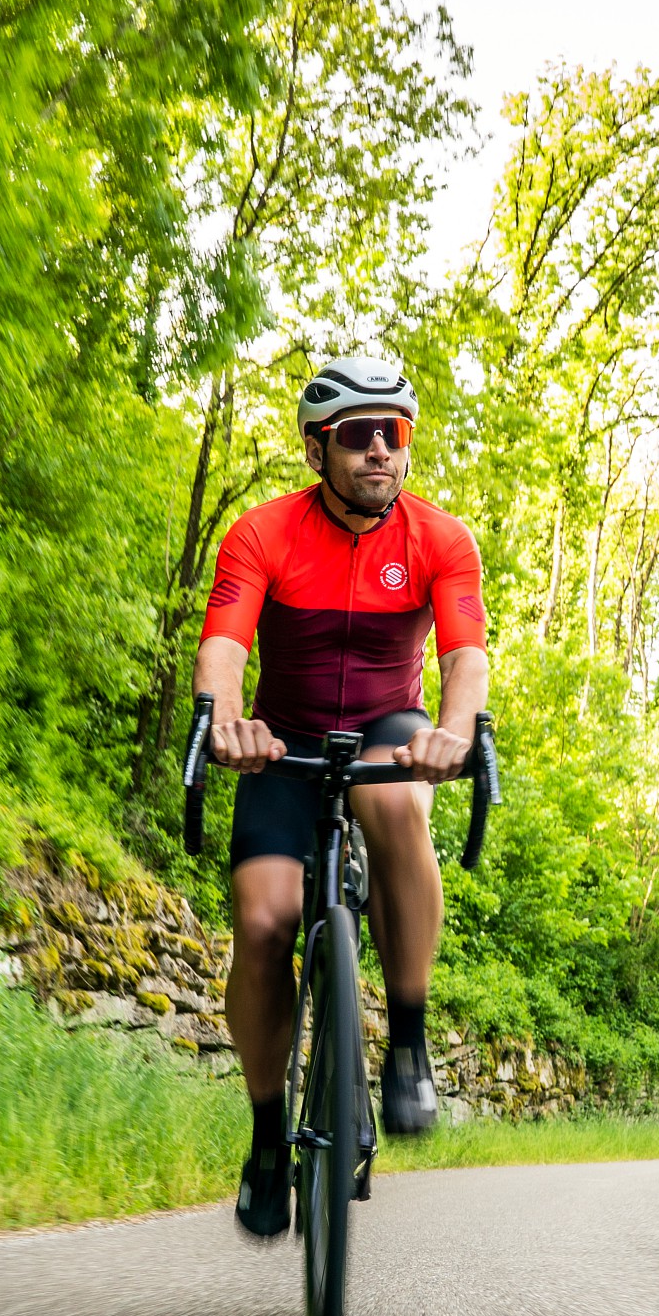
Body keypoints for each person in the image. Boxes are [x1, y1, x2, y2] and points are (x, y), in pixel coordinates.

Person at [193, 356, 491, 1238]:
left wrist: (456, 728)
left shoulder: (441, 538)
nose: (378, 451)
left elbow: (465, 657)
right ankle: (263, 1137)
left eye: (392, 433)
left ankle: (407, 1042)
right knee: (261, 923)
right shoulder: (262, 532)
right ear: (317, 447)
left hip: (389, 726)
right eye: (357, 435)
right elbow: (224, 646)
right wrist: (225, 719)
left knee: (399, 805)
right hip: (283, 740)